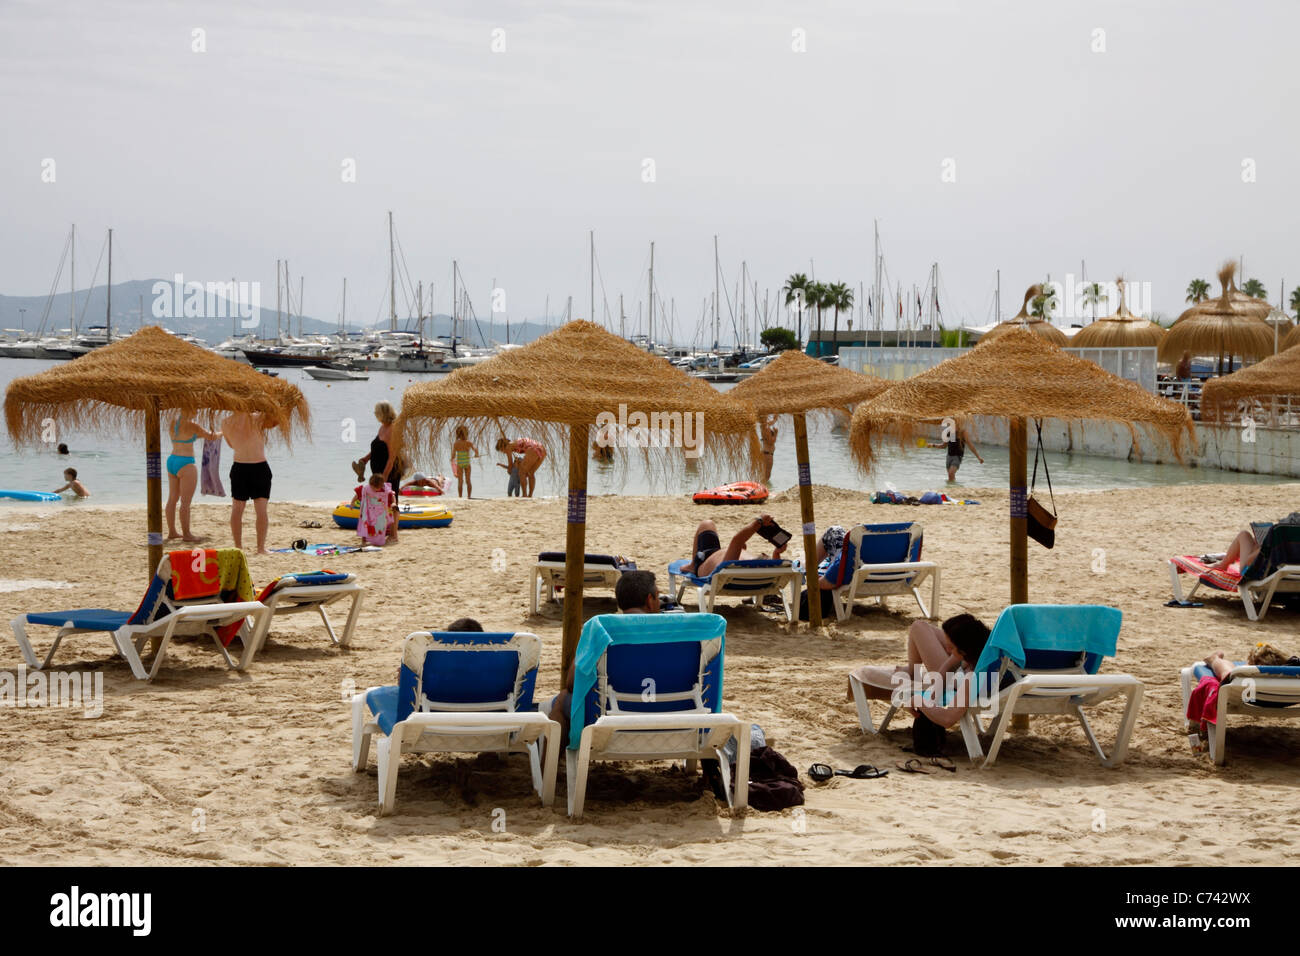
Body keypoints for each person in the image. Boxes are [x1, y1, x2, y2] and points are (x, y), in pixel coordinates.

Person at [546, 570, 662, 750]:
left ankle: (548, 773)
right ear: (649, 600)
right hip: (670, 714)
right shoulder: (674, 633)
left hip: (609, 717)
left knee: (562, 699)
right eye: (658, 597)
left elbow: (572, 683)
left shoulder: (600, 631)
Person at [849, 614, 992, 729]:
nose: (948, 651)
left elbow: (947, 719)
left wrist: (919, 700)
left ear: (965, 650)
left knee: (918, 627)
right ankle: (912, 671)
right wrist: (931, 696)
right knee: (920, 626)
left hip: (955, 681)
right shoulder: (987, 651)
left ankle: (912, 672)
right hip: (958, 673)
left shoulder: (973, 677)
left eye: (952, 648)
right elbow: (947, 666)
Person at [222, 410, 274, 555]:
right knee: (261, 509)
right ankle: (260, 548)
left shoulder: (225, 422)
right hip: (259, 467)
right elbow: (276, 420)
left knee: (237, 509)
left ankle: (238, 548)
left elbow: (231, 444)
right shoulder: (259, 417)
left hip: (240, 467)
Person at [165, 407, 220, 542]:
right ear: (189, 407)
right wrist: (223, 433)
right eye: (196, 408)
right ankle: (187, 534)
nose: (197, 411)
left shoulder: (173, 422)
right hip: (186, 463)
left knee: (172, 498)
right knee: (185, 502)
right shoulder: (193, 425)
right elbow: (211, 436)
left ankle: (172, 532)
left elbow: (191, 435)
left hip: (172, 460)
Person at [683, 514, 787, 578]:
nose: (765, 555)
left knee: (706, 523)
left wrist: (759, 522)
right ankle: (740, 549)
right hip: (718, 558)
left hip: (703, 561)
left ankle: (692, 565)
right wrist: (776, 553)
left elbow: (737, 540)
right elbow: (777, 570)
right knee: (742, 546)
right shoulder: (747, 565)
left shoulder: (732, 565)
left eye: (767, 557)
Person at [352, 402, 402, 490]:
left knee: (388, 498)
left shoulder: (392, 429)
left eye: (376, 412)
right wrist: (365, 459)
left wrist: (384, 477)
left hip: (389, 471)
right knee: (378, 499)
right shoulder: (383, 427)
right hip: (378, 471)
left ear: (382, 414)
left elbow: (392, 457)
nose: (375, 414)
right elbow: (378, 448)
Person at [452, 426, 479, 498]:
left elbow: (453, 455)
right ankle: (469, 496)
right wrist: (476, 454)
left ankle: (460, 497)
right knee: (468, 481)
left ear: (457, 434)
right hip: (467, 463)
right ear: (466, 433)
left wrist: (452, 459)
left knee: (460, 482)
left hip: (460, 464)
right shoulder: (468, 442)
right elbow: (475, 449)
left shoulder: (456, 443)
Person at [759, 416, 778, 482]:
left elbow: (770, 423)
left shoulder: (765, 427)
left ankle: (764, 486)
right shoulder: (765, 429)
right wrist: (775, 434)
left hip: (767, 454)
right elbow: (771, 442)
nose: (767, 418)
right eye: (765, 418)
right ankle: (763, 486)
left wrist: (775, 419)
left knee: (766, 474)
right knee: (767, 474)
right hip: (767, 455)